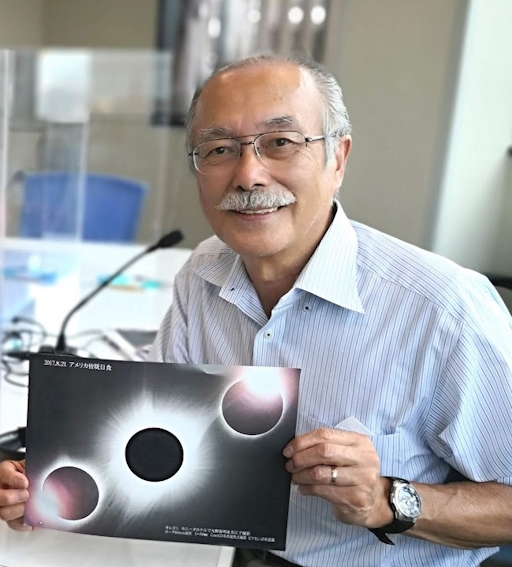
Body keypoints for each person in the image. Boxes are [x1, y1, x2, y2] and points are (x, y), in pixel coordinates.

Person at [1, 54, 512, 566]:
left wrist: (387, 500)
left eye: (281, 142)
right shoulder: (203, 272)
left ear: (338, 158)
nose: (248, 175)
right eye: (220, 149)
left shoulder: (445, 310)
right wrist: (38, 483)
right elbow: (150, 426)